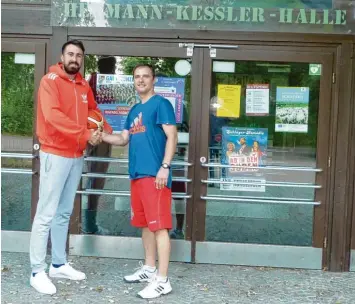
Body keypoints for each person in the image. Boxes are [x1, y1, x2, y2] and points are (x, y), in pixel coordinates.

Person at [29, 40, 112, 295]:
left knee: (64, 212)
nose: (75, 58)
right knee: (45, 213)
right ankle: (37, 271)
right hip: (55, 153)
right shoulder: (50, 81)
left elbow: (93, 111)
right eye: (71, 54)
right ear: (62, 56)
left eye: (79, 55)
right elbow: (53, 117)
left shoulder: (82, 84)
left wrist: (107, 132)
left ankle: (58, 263)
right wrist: (86, 133)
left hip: (76, 154)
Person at [101, 63, 177, 299]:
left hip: (155, 176)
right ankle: (149, 268)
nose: (141, 80)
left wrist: (164, 168)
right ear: (133, 81)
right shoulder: (134, 110)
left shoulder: (161, 104)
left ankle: (163, 280)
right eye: (137, 77)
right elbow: (123, 138)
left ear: (154, 80)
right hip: (137, 175)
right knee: (146, 225)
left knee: (160, 227)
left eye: (146, 76)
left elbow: (172, 136)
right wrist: (101, 136)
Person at [83, 56, 117, 235]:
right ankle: (89, 223)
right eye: (113, 66)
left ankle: (89, 222)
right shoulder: (99, 82)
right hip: (99, 133)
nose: (114, 69)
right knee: (97, 176)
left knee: (94, 175)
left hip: (97, 132)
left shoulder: (92, 81)